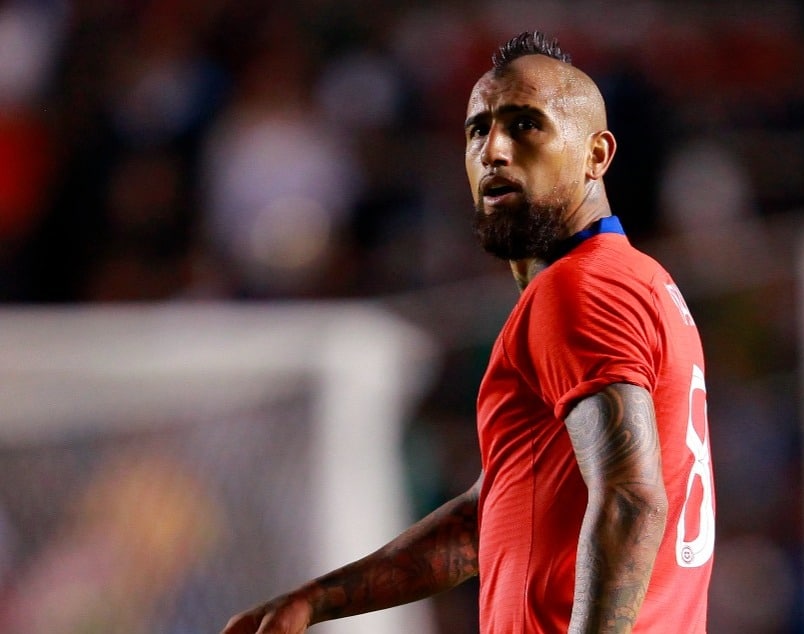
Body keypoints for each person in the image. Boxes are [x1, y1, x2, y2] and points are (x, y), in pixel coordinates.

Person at [221, 31, 715, 634]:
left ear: (597, 155)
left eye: (526, 125)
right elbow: (488, 521)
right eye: (478, 129)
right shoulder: (630, 279)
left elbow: (632, 500)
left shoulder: (581, 287)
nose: (494, 151)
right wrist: (318, 600)